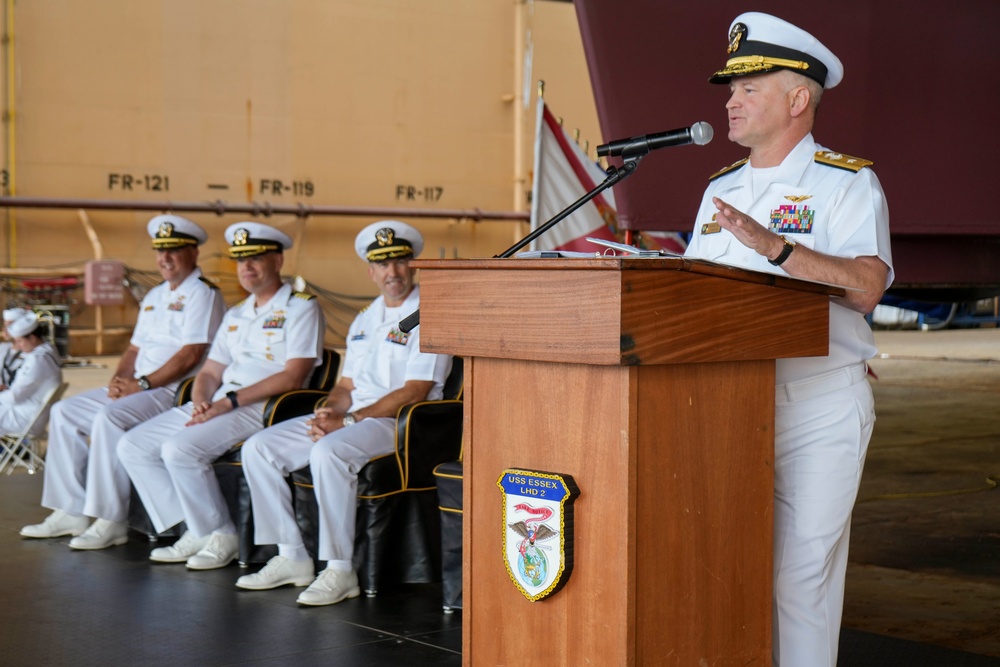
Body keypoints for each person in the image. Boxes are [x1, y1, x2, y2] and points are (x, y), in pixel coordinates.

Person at [683, 13, 893, 667]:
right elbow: (692, 294)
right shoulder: (720, 189)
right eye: (730, 89)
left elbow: (865, 286)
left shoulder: (846, 182)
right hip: (732, 405)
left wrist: (776, 248)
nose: (730, 100)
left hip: (819, 407)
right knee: (738, 575)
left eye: (749, 89)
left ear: (798, 100)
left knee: (801, 580)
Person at [235, 220, 452, 606]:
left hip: (399, 423)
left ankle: (339, 569)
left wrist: (348, 421)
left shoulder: (431, 312)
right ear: (371, 272)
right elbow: (346, 385)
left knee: (328, 451)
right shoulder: (365, 318)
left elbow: (414, 390)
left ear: (413, 265)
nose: (392, 272)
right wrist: (329, 410)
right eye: (382, 265)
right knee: (258, 448)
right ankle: (292, 556)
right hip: (353, 419)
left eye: (400, 262)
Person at [117, 221, 325, 570]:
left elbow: (294, 375)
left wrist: (226, 403)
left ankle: (220, 534)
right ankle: (197, 528)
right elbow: (211, 371)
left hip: (261, 407)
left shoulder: (301, 307)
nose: (247, 267)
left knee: (179, 449)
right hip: (221, 402)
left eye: (256, 258)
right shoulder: (236, 314)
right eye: (241, 260)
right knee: (132, 446)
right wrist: (201, 400)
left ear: (277, 260)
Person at [20, 215, 226, 547]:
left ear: (193, 253)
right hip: (140, 386)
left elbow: (191, 353)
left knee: (109, 418)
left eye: (173, 251)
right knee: (64, 412)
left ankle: (110, 518)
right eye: (160, 251)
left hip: (172, 390)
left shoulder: (204, 294)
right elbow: (134, 348)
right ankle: (70, 510)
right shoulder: (156, 295)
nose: (165, 259)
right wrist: (119, 380)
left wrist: (141, 384)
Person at [0, 310, 62, 436]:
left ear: (32, 338)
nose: (19, 345)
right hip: (27, 413)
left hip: (23, 418)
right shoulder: (48, 351)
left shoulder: (38, 359)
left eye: (20, 341)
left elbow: (14, 397)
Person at [1, 308, 28, 389]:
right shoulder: (2, 348)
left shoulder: (30, 353)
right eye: (4, 325)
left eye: (9, 325)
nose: (4, 330)